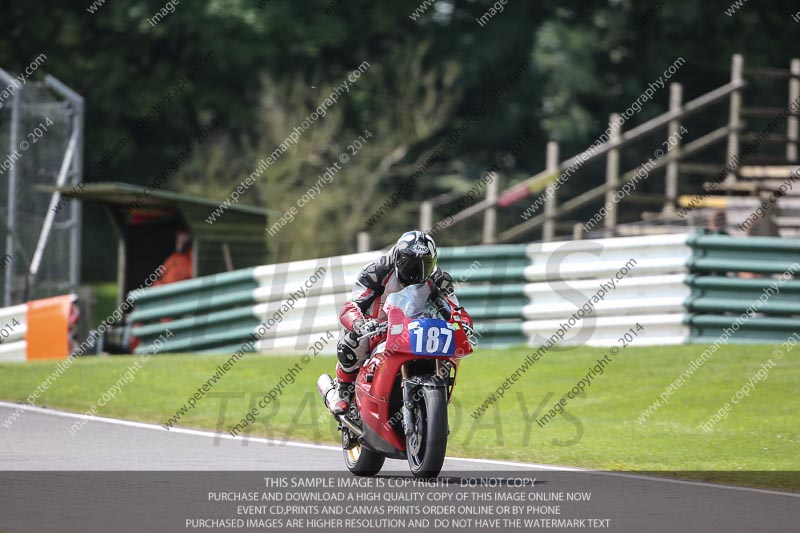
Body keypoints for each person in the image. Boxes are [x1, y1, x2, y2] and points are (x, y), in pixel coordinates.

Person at [327, 230, 461, 414]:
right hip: (377, 327)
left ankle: (435, 399)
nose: (417, 273)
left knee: (446, 347)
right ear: (398, 258)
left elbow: (455, 309)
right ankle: (343, 388)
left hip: (416, 327)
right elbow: (352, 305)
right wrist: (360, 324)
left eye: (425, 266)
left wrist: (462, 323)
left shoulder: (439, 279)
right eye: (410, 265)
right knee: (353, 340)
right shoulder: (376, 271)